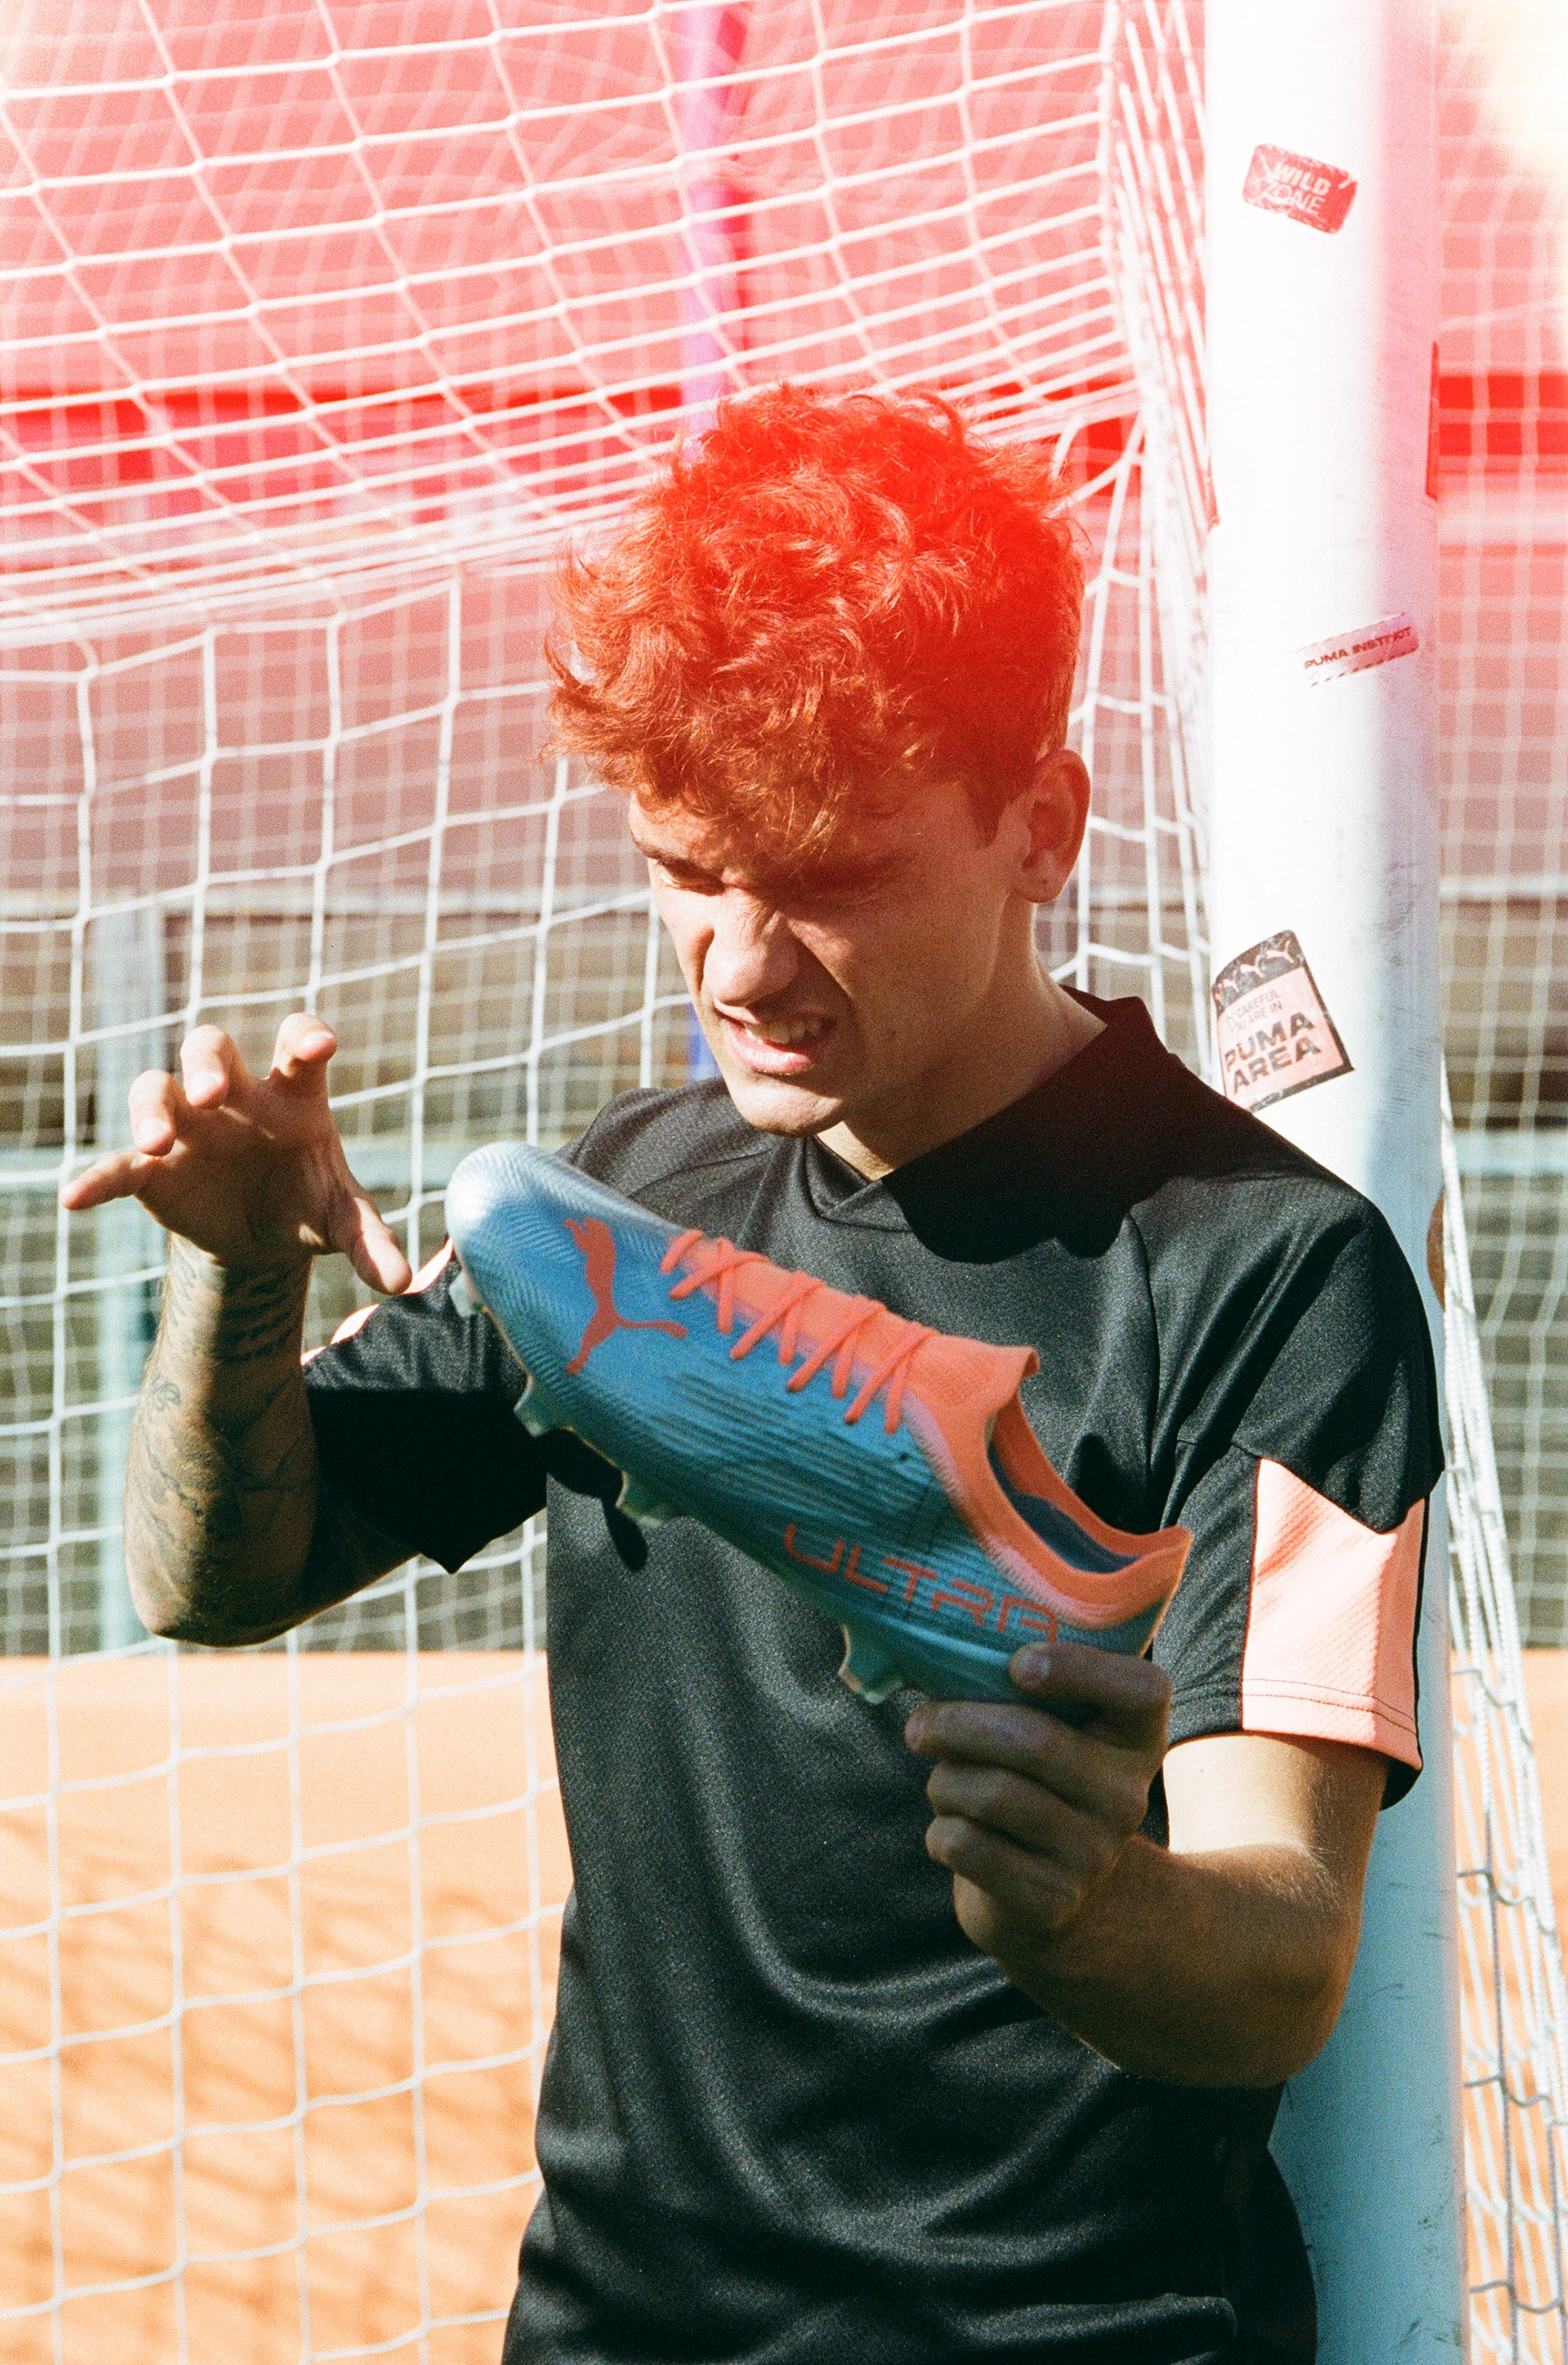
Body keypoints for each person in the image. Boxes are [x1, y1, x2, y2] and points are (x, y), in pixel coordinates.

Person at [63, 386, 1441, 2364]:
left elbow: (1282, 1943)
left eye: (834, 875)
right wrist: (242, 1279)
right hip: (617, 2323)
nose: (738, 962)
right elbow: (216, 1576)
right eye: (685, 866)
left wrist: (1089, 1908)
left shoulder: (1263, 1267)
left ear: (1043, 827)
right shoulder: (615, 1211)